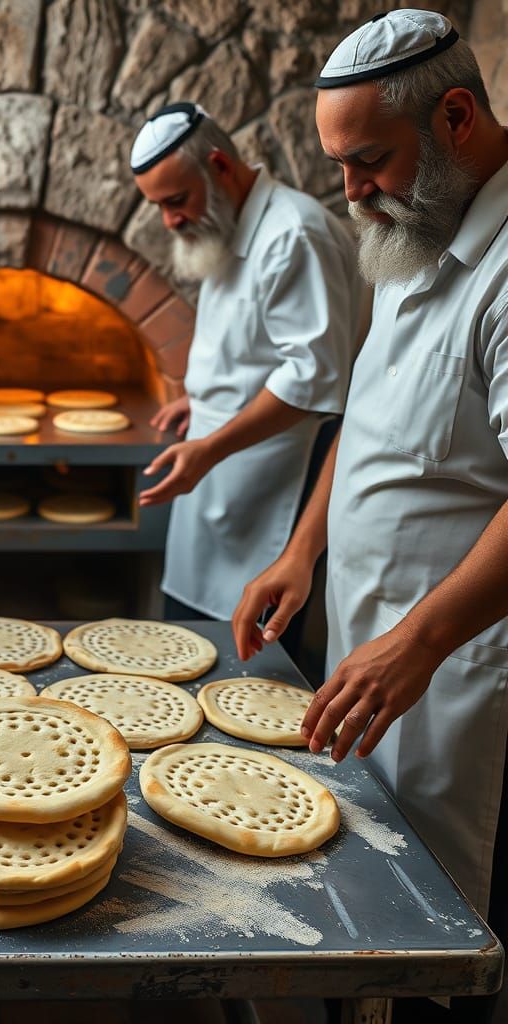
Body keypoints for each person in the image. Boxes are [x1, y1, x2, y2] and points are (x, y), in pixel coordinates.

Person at [232, 11, 507, 1021]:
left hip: (464, 676)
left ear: (456, 117)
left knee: (454, 940)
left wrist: (421, 641)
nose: (350, 192)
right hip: (378, 648)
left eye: (369, 161)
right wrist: (302, 550)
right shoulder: (412, 224)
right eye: (338, 165)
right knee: (381, 919)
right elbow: (371, 414)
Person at [131, 103, 367, 630]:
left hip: (277, 473)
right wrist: (205, 396)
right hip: (218, 467)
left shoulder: (294, 235)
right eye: (158, 207)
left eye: (175, 201)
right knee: (191, 637)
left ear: (219, 165)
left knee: (252, 659)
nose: (170, 220)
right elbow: (253, 346)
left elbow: (312, 380)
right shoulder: (224, 222)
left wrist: (210, 448)